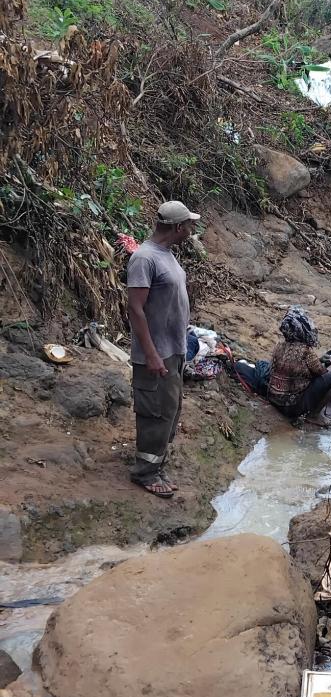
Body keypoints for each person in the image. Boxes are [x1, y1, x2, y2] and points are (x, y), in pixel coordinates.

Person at [126, 200, 198, 498]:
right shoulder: (145, 259)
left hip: (174, 348)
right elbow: (135, 309)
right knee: (155, 412)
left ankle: (155, 463)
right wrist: (152, 354)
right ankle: (145, 473)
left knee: (169, 409)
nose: (192, 229)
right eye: (189, 225)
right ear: (178, 227)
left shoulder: (166, 254)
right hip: (156, 353)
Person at [268, 306, 331, 429]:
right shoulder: (306, 351)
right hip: (292, 407)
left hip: (273, 399)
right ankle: (314, 416)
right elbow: (321, 372)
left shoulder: (278, 346)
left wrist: (319, 360)